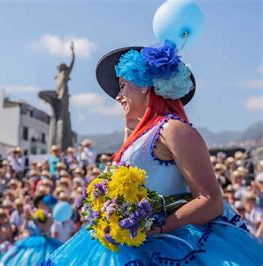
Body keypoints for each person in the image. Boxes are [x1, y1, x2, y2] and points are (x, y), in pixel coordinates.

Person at [46, 41, 263, 265]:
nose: (118, 96)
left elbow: (211, 201)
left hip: (169, 243)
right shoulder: (139, 136)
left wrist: (156, 228)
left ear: (144, 85)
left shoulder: (173, 129)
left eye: (122, 85)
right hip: (129, 245)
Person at [0, 195, 62, 266]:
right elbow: (24, 228)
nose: (41, 205)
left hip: (45, 242)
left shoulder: (50, 216)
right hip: (31, 242)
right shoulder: (34, 214)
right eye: (40, 203)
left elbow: (44, 228)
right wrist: (26, 218)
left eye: (44, 203)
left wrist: (33, 219)